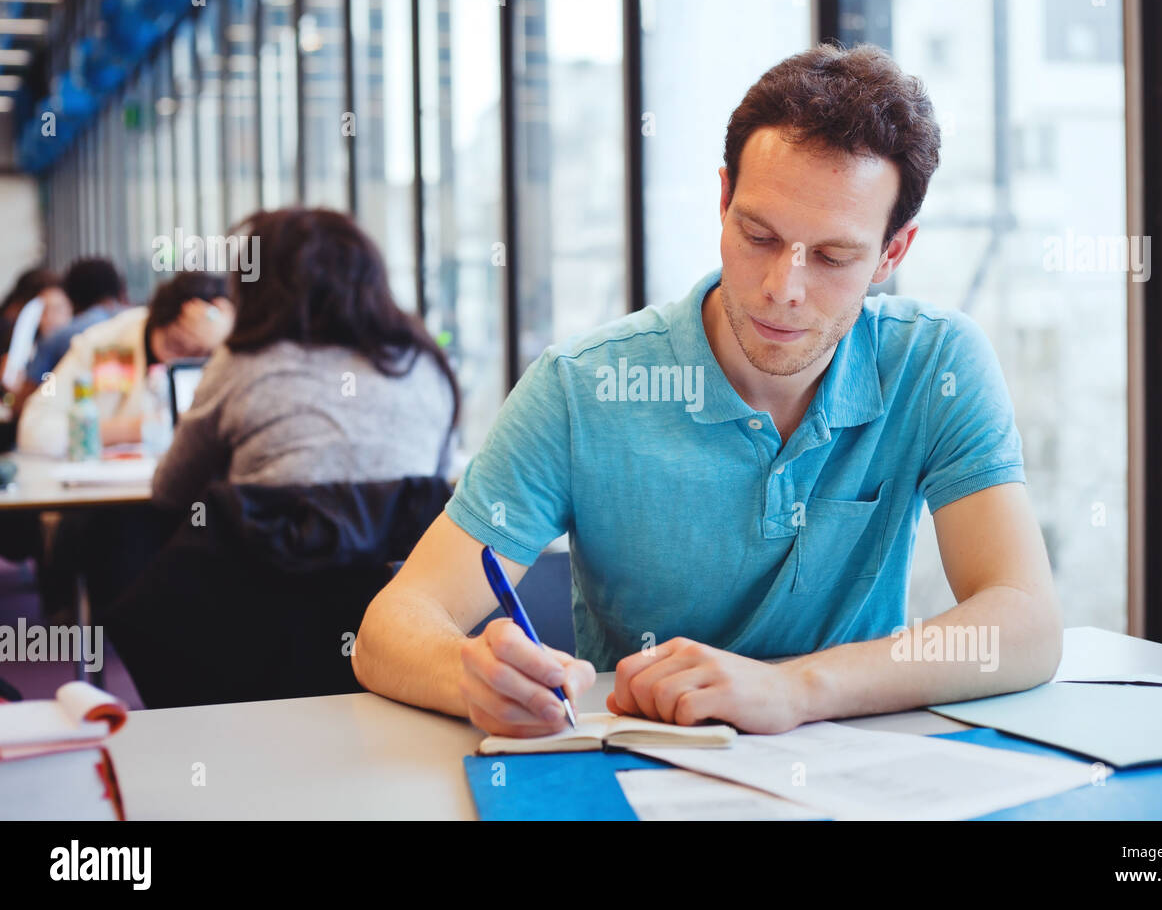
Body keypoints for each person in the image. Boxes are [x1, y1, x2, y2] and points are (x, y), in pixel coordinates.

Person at [352, 43, 1062, 737]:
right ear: (723, 202)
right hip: (638, 771)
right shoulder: (582, 388)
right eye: (758, 235)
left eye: (833, 256)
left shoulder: (936, 363)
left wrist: (797, 689)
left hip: (855, 771)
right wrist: (467, 674)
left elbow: (1025, 622)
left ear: (891, 254)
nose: (784, 288)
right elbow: (391, 628)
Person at [150, 207, 459, 509]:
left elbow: (171, 490)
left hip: (267, 560)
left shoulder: (239, 365)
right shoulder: (425, 365)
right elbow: (437, 478)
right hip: (406, 560)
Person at [17, 272, 233, 457]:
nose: (180, 360)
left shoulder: (227, 355)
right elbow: (33, 431)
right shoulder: (106, 343)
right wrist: (131, 430)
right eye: (175, 345)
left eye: (198, 355)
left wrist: (228, 344)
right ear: (156, 320)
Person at [23, 258, 127, 388]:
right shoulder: (134, 326)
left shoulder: (57, 339)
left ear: (71, 295)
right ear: (118, 290)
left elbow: (30, 396)